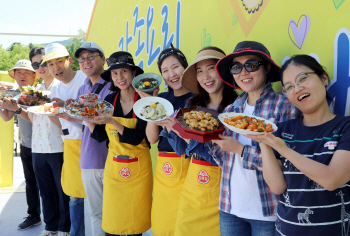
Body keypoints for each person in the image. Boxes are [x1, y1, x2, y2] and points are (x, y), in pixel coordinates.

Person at [189, 41, 299, 236]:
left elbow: (287, 163)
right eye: (236, 67)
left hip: (267, 211)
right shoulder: (231, 110)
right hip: (229, 207)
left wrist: (241, 149)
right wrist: (213, 141)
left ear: (266, 68)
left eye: (251, 65)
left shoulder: (284, 106)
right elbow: (226, 162)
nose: (243, 72)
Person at [245, 54, 350, 236]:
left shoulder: (345, 126)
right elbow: (278, 187)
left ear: (324, 78)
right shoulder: (283, 130)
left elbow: (332, 179)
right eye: (289, 87)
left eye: (302, 78)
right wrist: (263, 141)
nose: (297, 88)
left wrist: (283, 149)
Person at [158, 46, 237, 235]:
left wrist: (189, 137)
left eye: (211, 68)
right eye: (200, 71)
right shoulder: (192, 106)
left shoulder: (235, 109)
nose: (205, 76)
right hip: (192, 186)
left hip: (222, 188)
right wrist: (171, 129)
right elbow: (182, 150)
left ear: (222, 70)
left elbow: (229, 157)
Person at [87, 51, 152, 236]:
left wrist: (113, 122)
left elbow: (138, 137)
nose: (119, 77)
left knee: (135, 224)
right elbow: (101, 136)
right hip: (114, 168)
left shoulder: (144, 101)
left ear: (133, 74)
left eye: (124, 71)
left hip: (139, 169)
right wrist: (86, 118)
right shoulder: (109, 101)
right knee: (113, 223)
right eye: (114, 73)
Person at [136, 46, 193, 236]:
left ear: (185, 67)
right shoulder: (161, 98)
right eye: (165, 71)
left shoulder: (197, 99)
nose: (172, 74)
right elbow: (152, 138)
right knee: (163, 224)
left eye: (175, 67)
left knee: (186, 225)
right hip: (165, 168)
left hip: (190, 166)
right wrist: (150, 103)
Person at [43, 43, 87, 236]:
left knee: (97, 195)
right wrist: (51, 114)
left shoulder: (85, 79)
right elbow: (59, 121)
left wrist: (67, 109)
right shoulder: (55, 88)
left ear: (69, 61)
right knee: (75, 196)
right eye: (51, 64)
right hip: (69, 144)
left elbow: (93, 113)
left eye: (59, 61)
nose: (56, 68)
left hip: (91, 143)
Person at [28, 47, 70, 236]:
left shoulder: (60, 87)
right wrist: (17, 108)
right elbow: (33, 118)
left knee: (63, 191)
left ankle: (65, 228)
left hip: (59, 145)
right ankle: (51, 227)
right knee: (45, 191)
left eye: (45, 63)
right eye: (36, 64)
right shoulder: (34, 91)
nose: (42, 67)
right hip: (37, 147)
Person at [0, 59, 42, 230]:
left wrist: (17, 107)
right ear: (14, 76)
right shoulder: (13, 94)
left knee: (50, 185)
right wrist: (2, 102)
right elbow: (6, 117)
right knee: (30, 184)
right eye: (18, 72)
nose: (22, 76)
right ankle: (33, 216)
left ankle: (58, 222)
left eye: (26, 72)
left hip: (45, 146)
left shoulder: (40, 92)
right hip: (26, 145)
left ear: (34, 75)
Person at [74, 42, 111, 236]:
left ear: (103, 59)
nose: (86, 62)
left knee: (116, 213)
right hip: (88, 158)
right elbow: (82, 123)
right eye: (82, 59)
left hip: (112, 158)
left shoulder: (114, 86)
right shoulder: (82, 89)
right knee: (96, 212)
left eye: (91, 57)